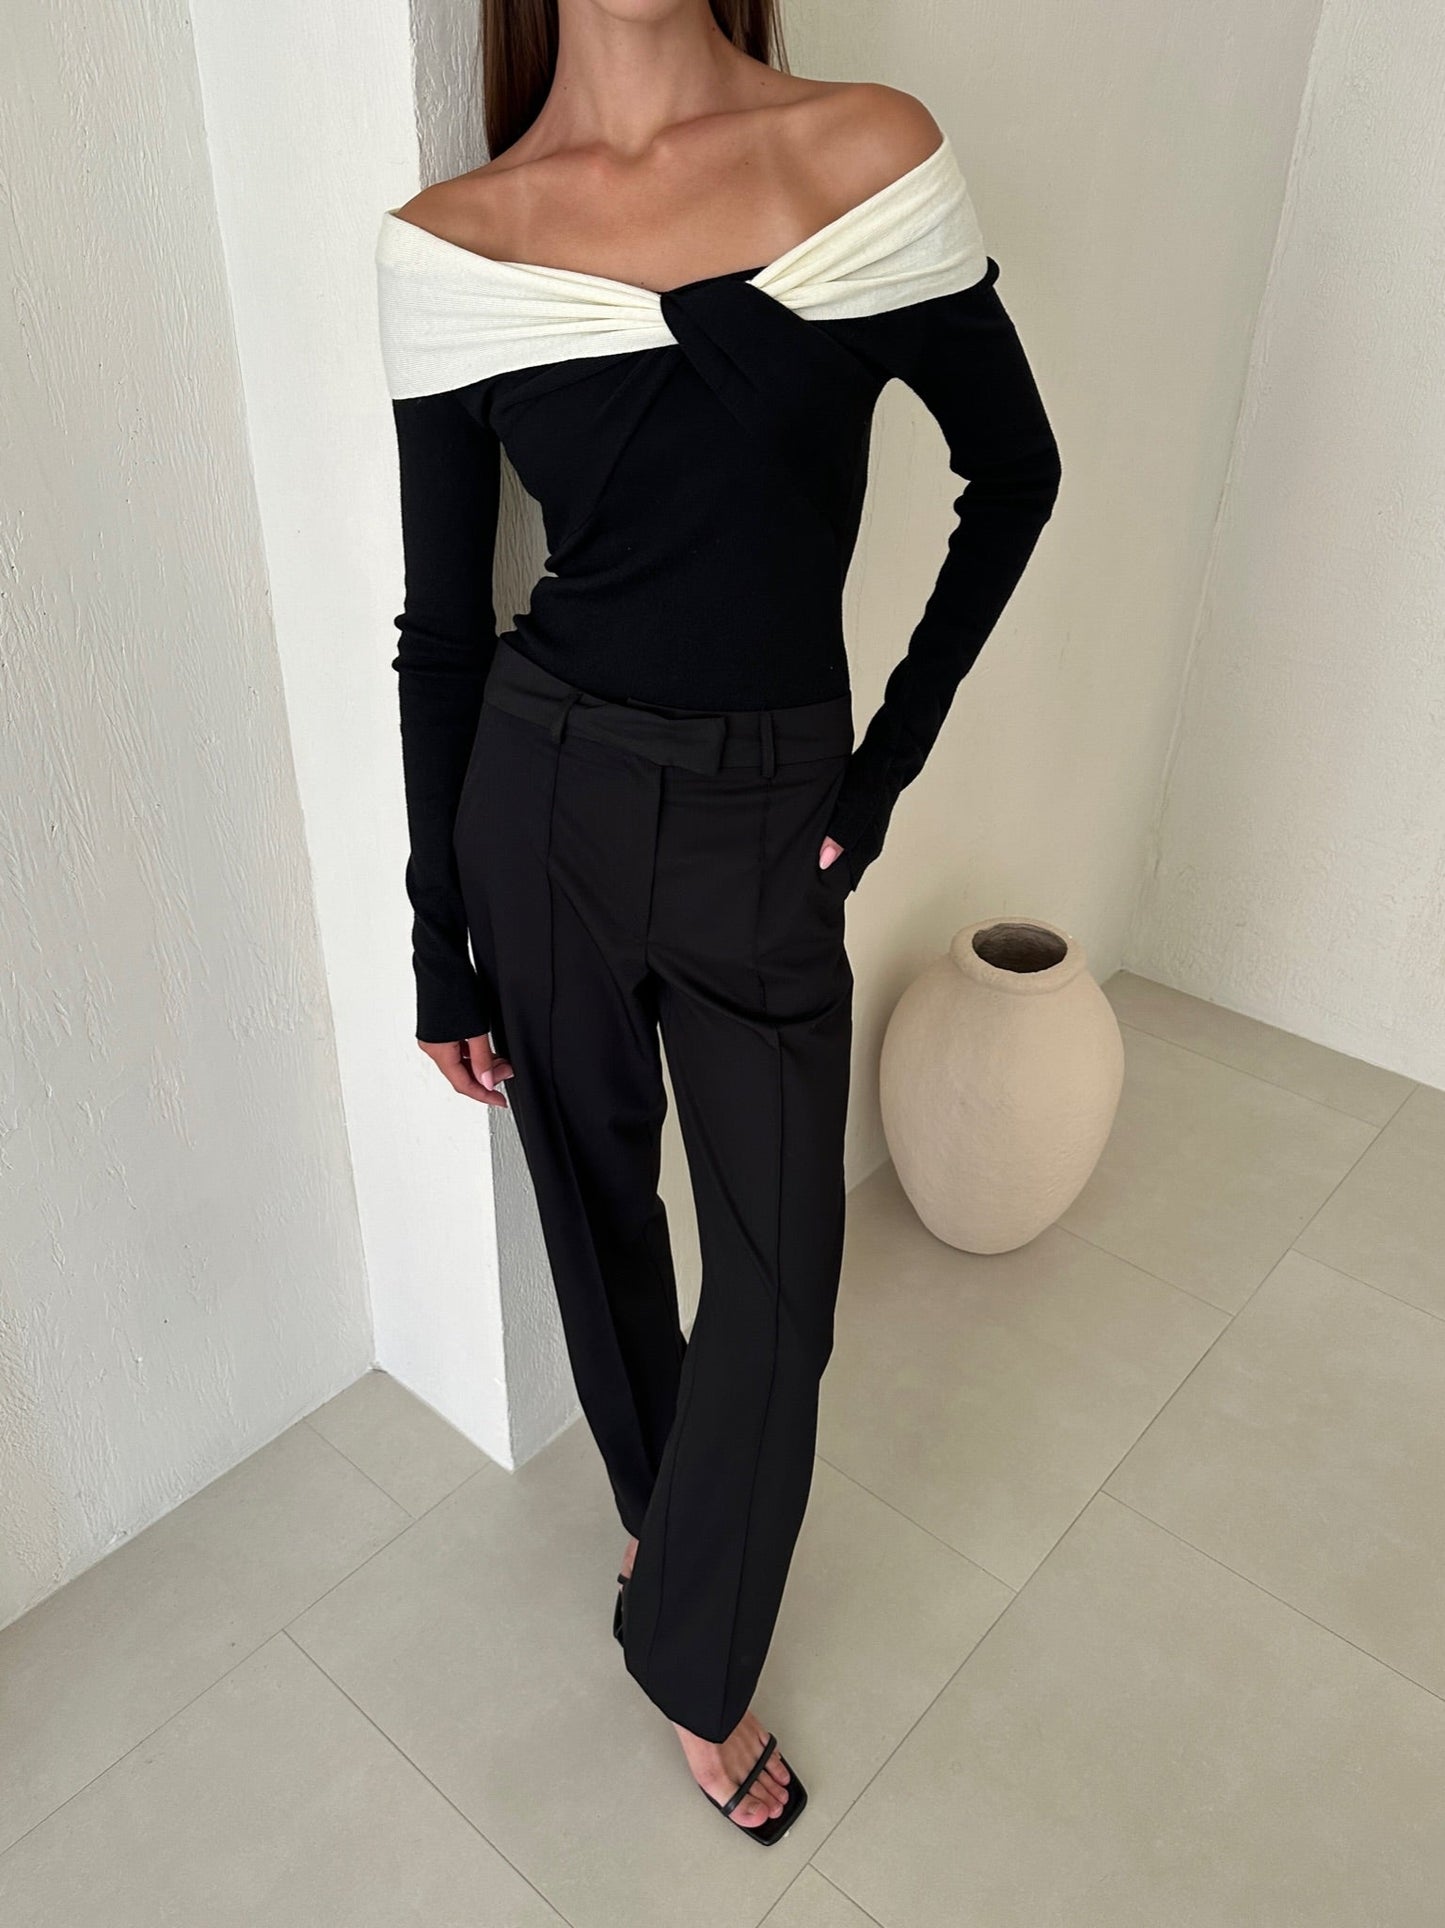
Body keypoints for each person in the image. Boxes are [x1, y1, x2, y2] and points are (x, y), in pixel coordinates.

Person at [373, 0, 1061, 1844]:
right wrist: (441, 934)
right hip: (541, 798)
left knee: (779, 1276)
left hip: (772, 803)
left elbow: (1018, 474)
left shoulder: (862, 159)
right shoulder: (455, 242)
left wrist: (880, 771)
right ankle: (663, 1541)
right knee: (591, 1199)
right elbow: (445, 630)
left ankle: (682, 1636)